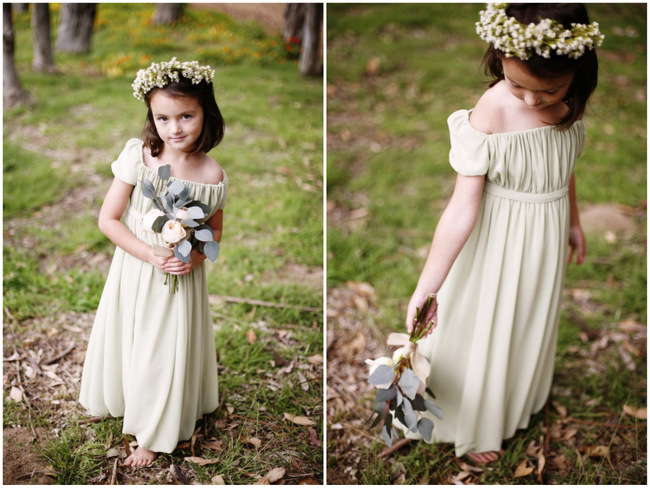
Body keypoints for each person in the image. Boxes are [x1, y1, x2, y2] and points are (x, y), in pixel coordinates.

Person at [404, 4, 603, 464]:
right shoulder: (493, 110)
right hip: (499, 242)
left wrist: (572, 220)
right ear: (498, 61)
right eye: (517, 84)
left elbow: (563, 168)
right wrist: (426, 287)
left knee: (527, 317)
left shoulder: (568, 104)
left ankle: (516, 397)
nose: (531, 101)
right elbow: (460, 209)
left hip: (545, 238)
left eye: (547, 90)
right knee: (489, 323)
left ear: (578, 72)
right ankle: (475, 424)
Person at [79, 58, 228, 467]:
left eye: (186, 116)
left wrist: (195, 259)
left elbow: (213, 232)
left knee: (162, 349)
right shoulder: (139, 157)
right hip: (136, 268)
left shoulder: (212, 175)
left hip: (178, 279)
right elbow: (108, 220)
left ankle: (154, 432)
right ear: (151, 116)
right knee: (128, 337)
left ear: (206, 114)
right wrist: (149, 253)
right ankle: (120, 397)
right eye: (162, 117)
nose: (174, 127)